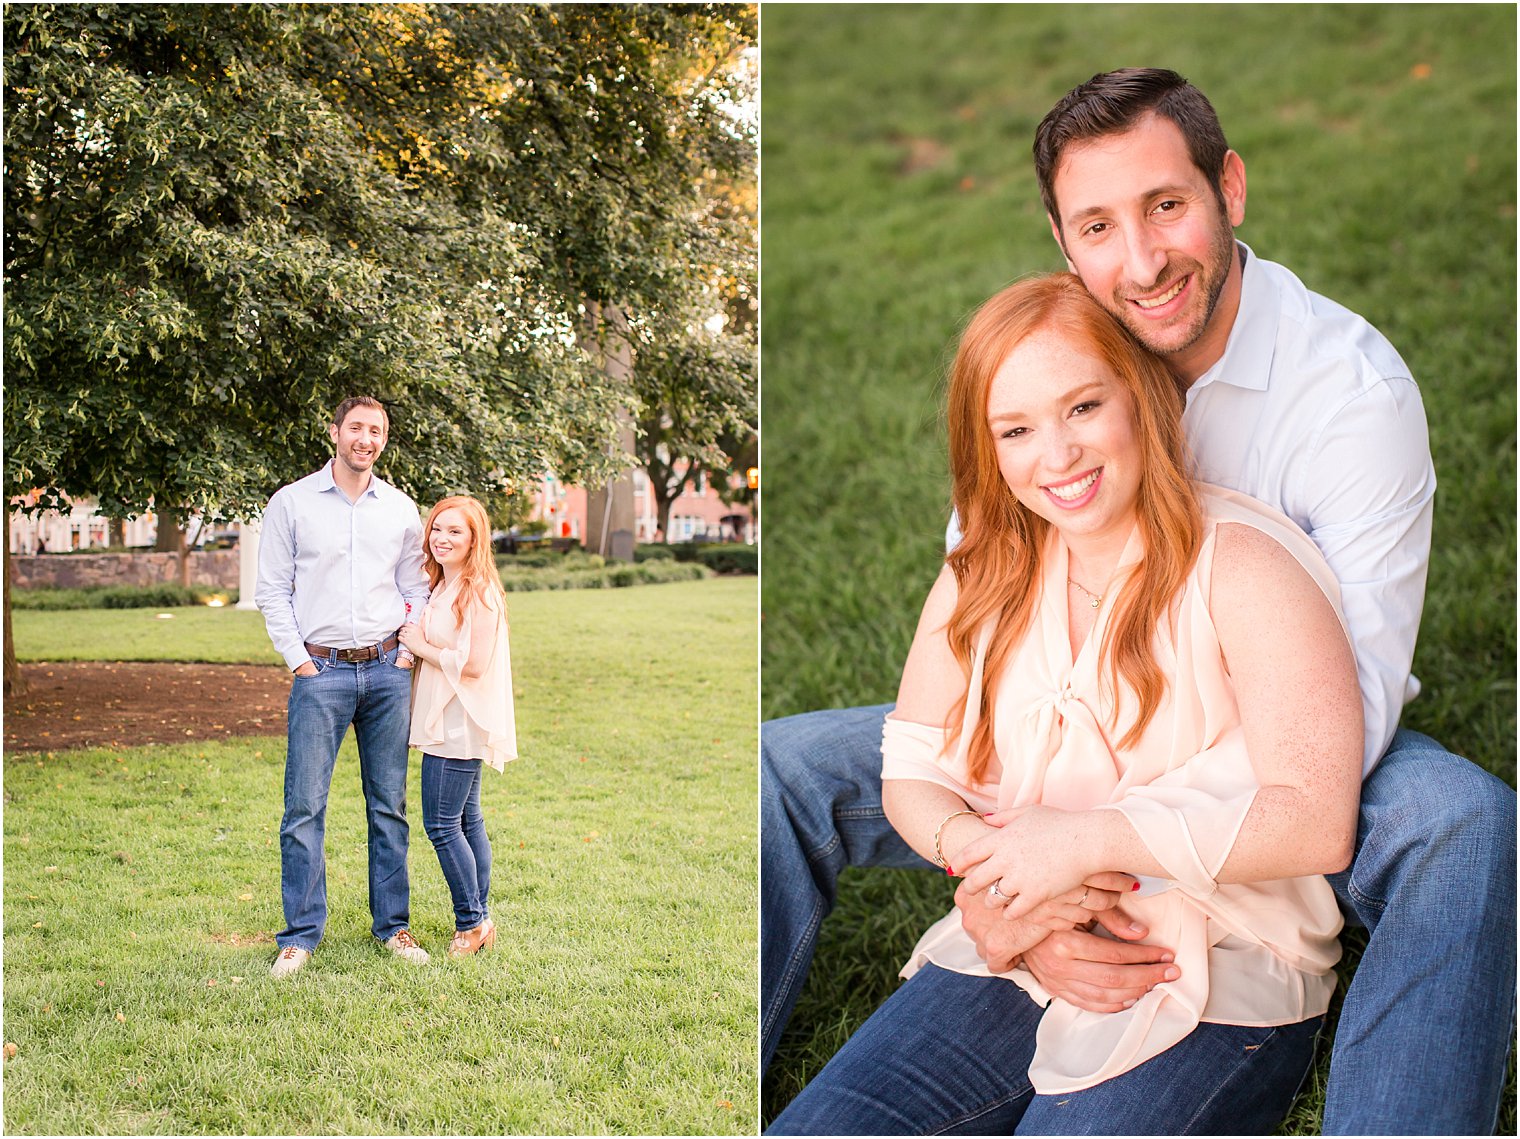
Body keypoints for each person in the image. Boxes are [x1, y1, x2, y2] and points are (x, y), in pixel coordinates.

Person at [761, 69, 1516, 1134]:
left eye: (1166, 205)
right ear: (1063, 245)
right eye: (1099, 226)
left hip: (1284, 730)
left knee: (1461, 820)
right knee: (780, 766)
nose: (1143, 259)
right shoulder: (1054, 363)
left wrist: (1089, 851)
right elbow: (985, 626)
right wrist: (993, 876)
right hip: (1060, 741)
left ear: (1227, 191)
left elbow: (1342, 713)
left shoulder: (1346, 396)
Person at [771, 272, 1362, 1135]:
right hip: (1015, 945)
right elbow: (912, 771)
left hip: (1212, 960)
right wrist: (999, 876)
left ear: (1141, 397)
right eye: (1016, 429)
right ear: (991, 450)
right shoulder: (984, 567)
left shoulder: (1241, 565)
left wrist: (1081, 843)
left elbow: (1313, 820)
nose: (1058, 455)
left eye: (1084, 407)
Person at [256, 396, 432, 977]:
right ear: (335, 432)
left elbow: (417, 588)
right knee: (304, 807)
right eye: (356, 427)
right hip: (320, 672)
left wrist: (406, 654)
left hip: (386, 672)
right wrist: (298, 662)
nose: (366, 438)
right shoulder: (292, 503)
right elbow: (272, 590)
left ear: (383, 440)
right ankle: (300, 936)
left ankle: (395, 928)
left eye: (376, 431)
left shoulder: (401, 509)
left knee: (390, 807)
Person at [399, 494, 517, 958]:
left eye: (456, 532)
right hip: (443, 713)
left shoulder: (479, 591)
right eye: (438, 529)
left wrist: (419, 644)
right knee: (467, 820)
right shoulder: (441, 585)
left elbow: (474, 665)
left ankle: (472, 922)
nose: (443, 538)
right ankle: (479, 916)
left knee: (443, 825)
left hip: (458, 719)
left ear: (474, 540)